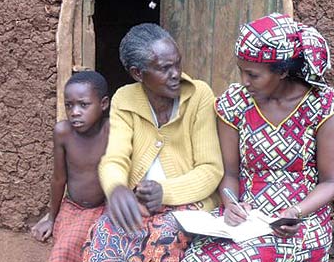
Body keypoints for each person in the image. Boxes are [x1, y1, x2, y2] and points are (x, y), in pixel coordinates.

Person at [183, 13, 334, 261]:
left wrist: (295, 211)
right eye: (241, 72)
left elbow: (331, 181)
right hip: (247, 218)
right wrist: (231, 204)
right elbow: (230, 173)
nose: (244, 82)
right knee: (197, 257)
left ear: (281, 72)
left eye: (253, 75)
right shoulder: (235, 103)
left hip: (299, 222)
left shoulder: (320, 106)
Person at [81, 23, 224, 261]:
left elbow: (211, 170)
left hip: (189, 204)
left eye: (177, 63)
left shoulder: (199, 95)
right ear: (138, 73)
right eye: (165, 68)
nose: (176, 73)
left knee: (162, 238)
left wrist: (164, 192)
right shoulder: (125, 98)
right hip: (141, 201)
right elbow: (114, 159)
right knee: (105, 235)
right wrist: (116, 188)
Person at [30, 71, 111, 262]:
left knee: (102, 247)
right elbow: (59, 179)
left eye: (83, 105)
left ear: (104, 104)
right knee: (64, 249)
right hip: (73, 208)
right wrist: (51, 217)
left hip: (105, 208)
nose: (75, 112)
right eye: (69, 105)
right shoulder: (63, 132)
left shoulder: (112, 130)